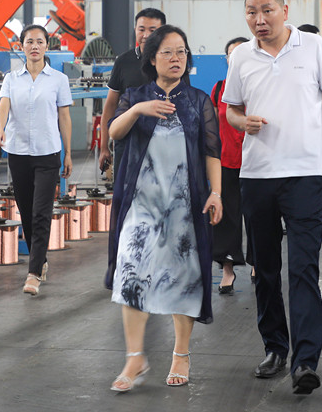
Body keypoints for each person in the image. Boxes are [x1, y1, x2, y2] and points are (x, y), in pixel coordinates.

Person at [223, 0, 322, 395]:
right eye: (251, 12)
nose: (259, 19)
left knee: (303, 268)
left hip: (304, 176)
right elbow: (231, 109)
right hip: (256, 177)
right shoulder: (241, 56)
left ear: (284, 11)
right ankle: (275, 348)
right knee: (264, 269)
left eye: (267, 10)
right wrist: (241, 122)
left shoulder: (313, 46)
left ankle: (305, 360)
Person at [106, 25, 222, 392]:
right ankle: (134, 357)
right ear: (152, 59)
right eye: (168, 52)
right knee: (131, 273)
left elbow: (212, 152)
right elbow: (114, 132)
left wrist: (216, 193)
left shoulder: (198, 101)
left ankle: (181, 353)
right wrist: (138, 109)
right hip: (140, 203)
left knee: (183, 275)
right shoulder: (134, 96)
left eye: (181, 52)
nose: (176, 59)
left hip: (184, 204)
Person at [0, 24, 73, 296]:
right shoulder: (11, 79)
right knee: (26, 212)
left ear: (47, 46)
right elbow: (3, 107)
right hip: (18, 153)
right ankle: (41, 260)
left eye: (40, 41)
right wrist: (0, 129)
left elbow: (64, 117)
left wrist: (68, 153)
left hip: (48, 153)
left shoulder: (58, 80)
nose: (34, 46)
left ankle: (34, 272)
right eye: (29, 42)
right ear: (22, 46)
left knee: (41, 213)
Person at [98, 8, 166, 177]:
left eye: (152, 30)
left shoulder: (172, 61)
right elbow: (110, 105)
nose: (146, 35)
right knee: (125, 190)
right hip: (127, 143)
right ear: (135, 30)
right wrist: (104, 147)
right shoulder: (123, 62)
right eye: (141, 29)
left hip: (163, 145)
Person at [210, 36, 249, 294]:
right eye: (230, 55)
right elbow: (212, 128)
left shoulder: (260, 86)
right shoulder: (219, 89)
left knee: (258, 214)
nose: (235, 59)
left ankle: (258, 262)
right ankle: (227, 269)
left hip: (256, 162)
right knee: (225, 218)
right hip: (225, 162)